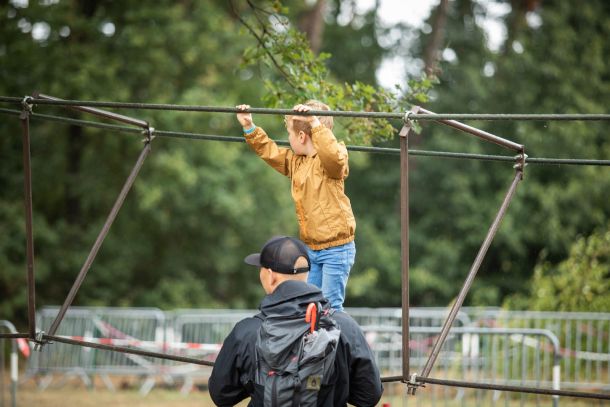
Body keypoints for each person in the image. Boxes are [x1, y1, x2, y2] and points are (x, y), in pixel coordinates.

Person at [208, 236, 383, 407]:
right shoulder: (344, 326)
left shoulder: (246, 331)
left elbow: (221, 395)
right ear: (307, 273)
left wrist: (257, 381)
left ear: (270, 276)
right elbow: (369, 396)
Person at [236, 101, 356, 311]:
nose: (288, 139)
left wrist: (314, 123)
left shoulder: (333, 160)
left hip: (336, 248)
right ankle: (312, 332)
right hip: (312, 248)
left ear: (301, 137)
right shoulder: (296, 162)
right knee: (309, 303)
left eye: (289, 134)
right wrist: (249, 127)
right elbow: (271, 152)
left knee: (330, 306)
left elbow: (333, 157)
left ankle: (335, 333)